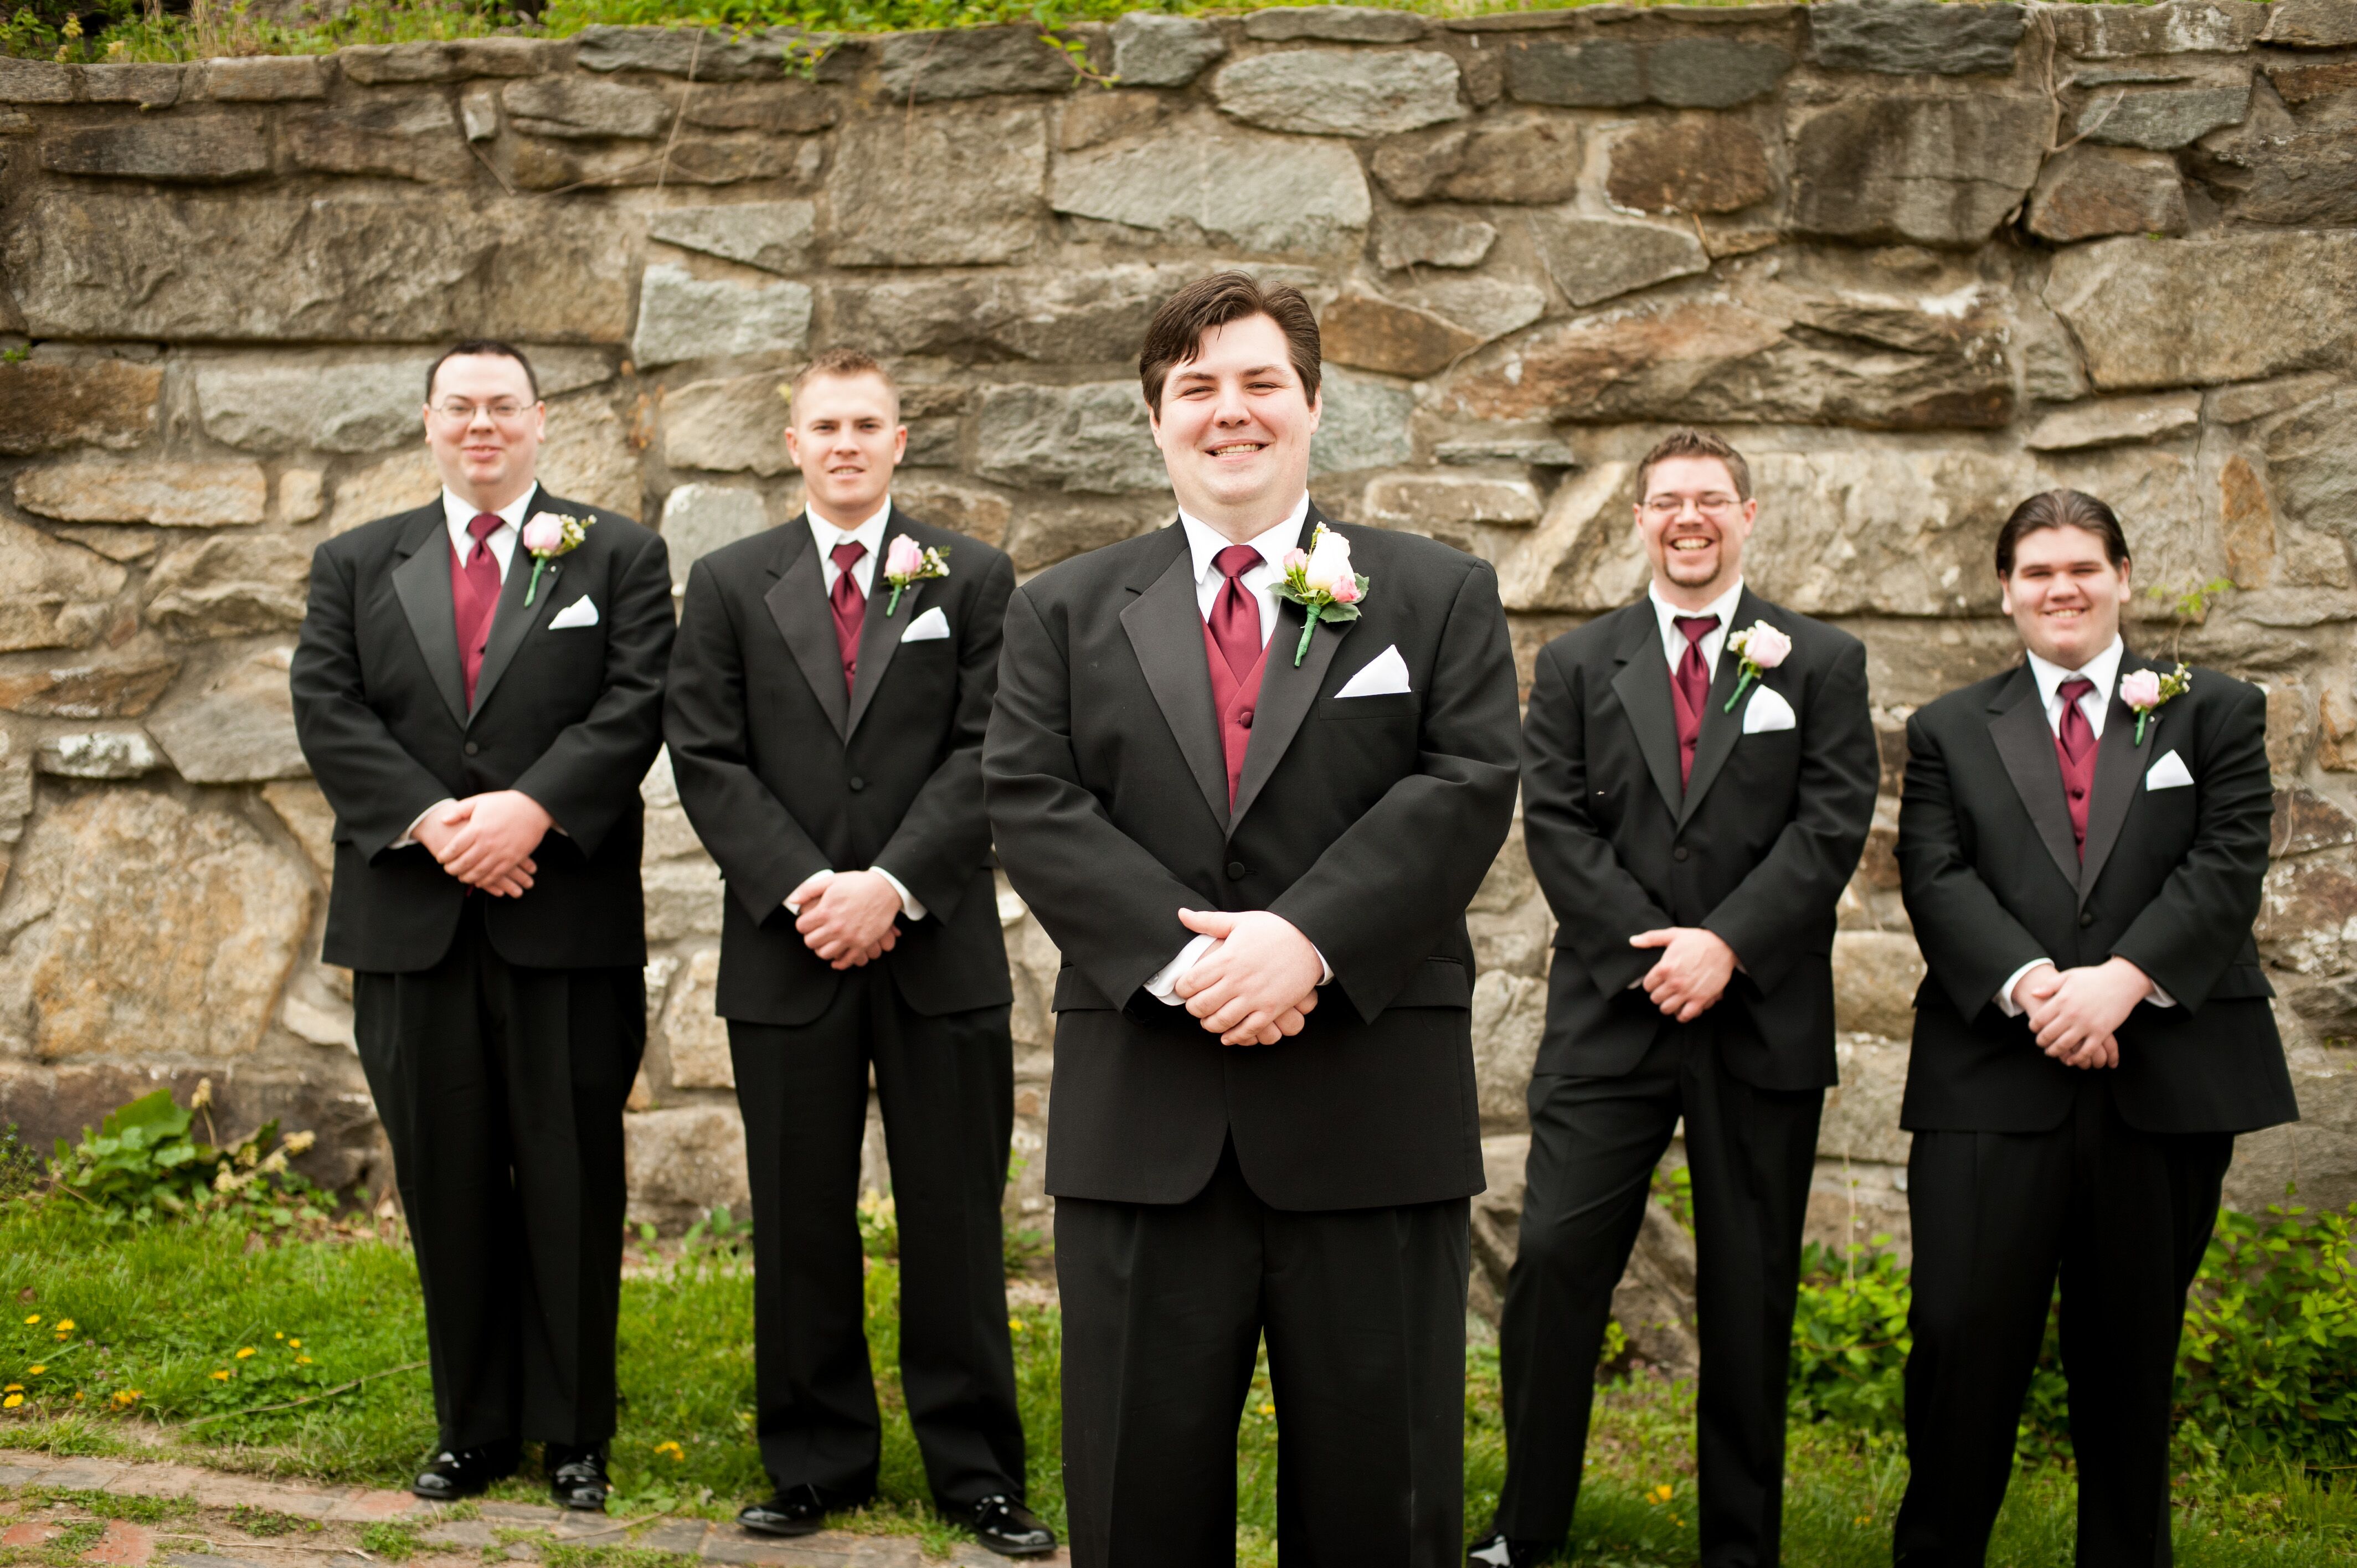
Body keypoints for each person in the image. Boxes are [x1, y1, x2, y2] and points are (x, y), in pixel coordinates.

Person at [983, 271, 1521, 1566]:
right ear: (1154, 419)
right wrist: (1189, 965)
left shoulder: (1433, 594)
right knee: (1138, 1497)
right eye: (1196, 389)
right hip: (1147, 1114)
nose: (1231, 413)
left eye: (1260, 382)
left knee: (1382, 1499)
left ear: (1314, 404)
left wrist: (1306, 942)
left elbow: (1464, 784)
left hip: (1369, 1104)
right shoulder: (1061, 609)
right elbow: (1032, 800)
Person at [662, 349, 1049, 1558]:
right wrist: (803, 889)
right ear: (792, 442)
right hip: (787, 952)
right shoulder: (729, 583)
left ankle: (975, 1473)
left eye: (864, 423)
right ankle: (813, 1462)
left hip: (934, 949)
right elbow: (706, 755)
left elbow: (994, 745)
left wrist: (889, 885)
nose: (844, 441)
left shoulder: (975, 578)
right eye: (822, 424)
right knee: (798, 1217)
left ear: (898, 439)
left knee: (954, 1216)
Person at [1475, 430, 1877, 1568]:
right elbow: (1553, 822)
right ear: (1638, 521)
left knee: (1748, 1288)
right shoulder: (1576, 663)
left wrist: (1727, 947)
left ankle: (1738, 1546)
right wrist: (1655, 953)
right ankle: (1526, 1526)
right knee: (1553, 1258)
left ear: (1748, 514)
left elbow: (1830, 824)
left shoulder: (1820, 662)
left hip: (1760, 1015)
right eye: (1666, 502)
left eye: (1710, 499)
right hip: (1614, 1009)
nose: (1687, 517)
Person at [289, 341, 674, 1509]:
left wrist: (530, 812)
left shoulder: (617, 553)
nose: (481, 425)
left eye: (502, 405)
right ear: (428, 425)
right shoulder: (356, 562)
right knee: (444, 1178)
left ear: (541, 421)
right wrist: (435, 822)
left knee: (570, 1175)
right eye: (460, 407)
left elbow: (637, 700)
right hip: (413, 925)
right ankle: (473, 1428)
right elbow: (327, 703)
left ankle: (573, 1437)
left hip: (562, 922)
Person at [1891, 489, 2298, 1567]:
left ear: (2123, 576)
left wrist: (2121, 982)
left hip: (2161, 1077)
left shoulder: (2212, 710)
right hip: (1990, 1079)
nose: (2059, 588)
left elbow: (2225, 864)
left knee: (2128, 1358)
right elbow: (1933, 877)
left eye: (2080, 567)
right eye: (2035, 572)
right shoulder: (1945, 730)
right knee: (1956, 1340)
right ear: (2005, 591)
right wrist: (2039, 989)